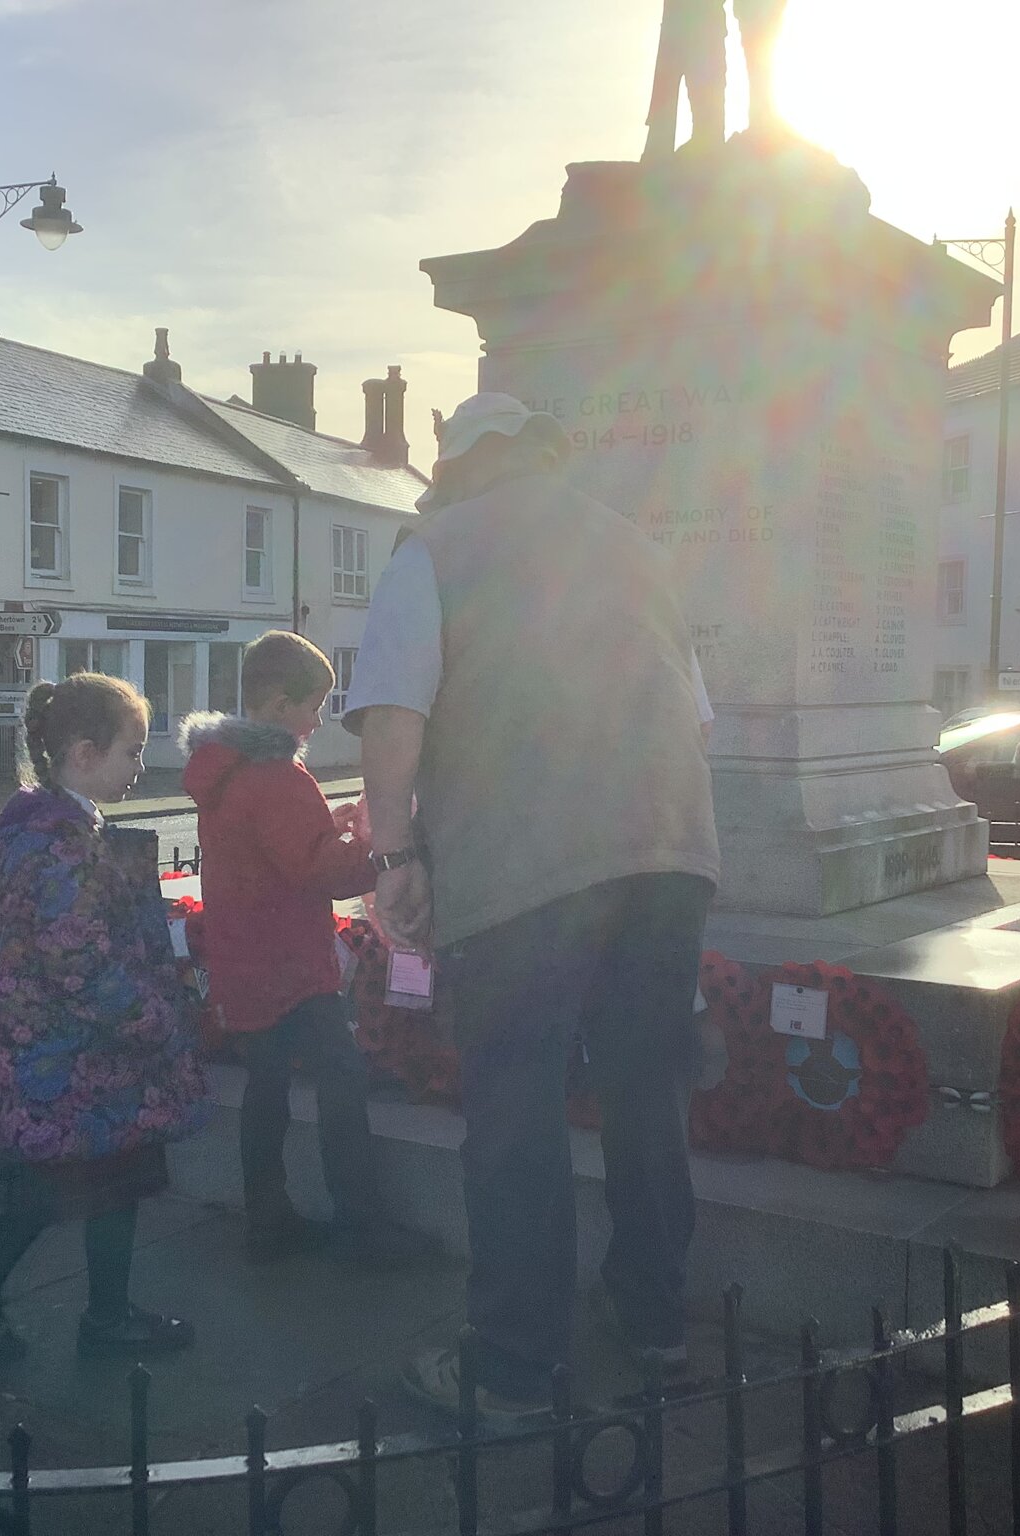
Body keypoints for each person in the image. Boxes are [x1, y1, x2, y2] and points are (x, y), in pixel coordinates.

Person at [345, 392, 721, 1427]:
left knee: (515, 1113)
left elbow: (391, 715)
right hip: (667, 857)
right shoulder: (642, 555)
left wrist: (395, 856)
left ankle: (513, 1365)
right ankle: (653, 1325)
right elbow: (694, 717)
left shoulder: (438, 548)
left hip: (525, 875)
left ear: (462, 465)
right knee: (649, 1099)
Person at [0, 673, 209, 1360]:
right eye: (132, 750)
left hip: (55, 1051)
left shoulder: (48, 830)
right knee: (77, 1183)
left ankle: (68, 1307)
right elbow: (84, 964)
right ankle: (69, 1311)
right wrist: (157, 1018)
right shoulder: (62, 847)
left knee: (89, 1181)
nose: (141, 766)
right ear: (85, 753)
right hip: (75, 1054)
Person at [180, 633, 429, 1264]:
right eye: (312, 705)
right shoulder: (275, 775)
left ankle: (267, 1218)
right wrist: (381, 854)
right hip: (293, 964)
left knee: (266, 1089)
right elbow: (320, 873)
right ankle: (361, 1225)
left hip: (245, 958)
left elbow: (281, 851)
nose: (318, 719)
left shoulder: (226, 769)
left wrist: (328, 829)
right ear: (274, 703)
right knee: (342, 1078)